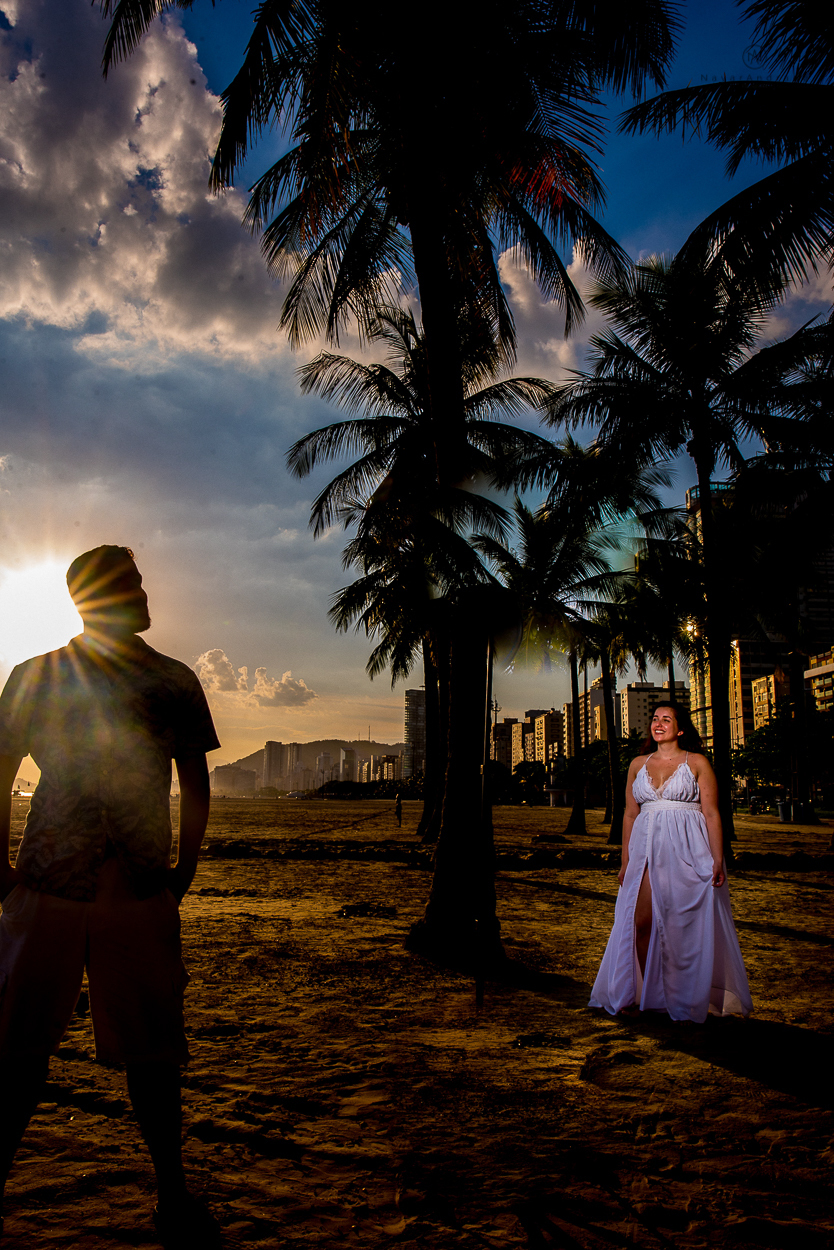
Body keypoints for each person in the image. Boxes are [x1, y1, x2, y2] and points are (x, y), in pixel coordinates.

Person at [0, 546, 221, 1245]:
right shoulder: (34, 676)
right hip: (47, 883)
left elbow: (195, 781)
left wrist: (182, 869)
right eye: (129, 584)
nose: (142, 593)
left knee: (155, 1053)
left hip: (137, 886)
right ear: (92, 597)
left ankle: (172, 1192)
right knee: (16, 1051)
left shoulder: (173, 679)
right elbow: (0, 771)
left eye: (139, 581)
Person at [589, 702, 752, 1023]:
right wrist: (625, 861)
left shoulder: (698, 763)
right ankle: (645, 992)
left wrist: (718, 860)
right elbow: (630, 814)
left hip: (689, 849)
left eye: (666, 719)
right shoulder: (637, 763)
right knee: (641, 921)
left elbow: (711, 813)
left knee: (682, 925)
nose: (658, 723)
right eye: (654, 718)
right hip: (645, 849)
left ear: (680, 729)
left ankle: (681, 996)